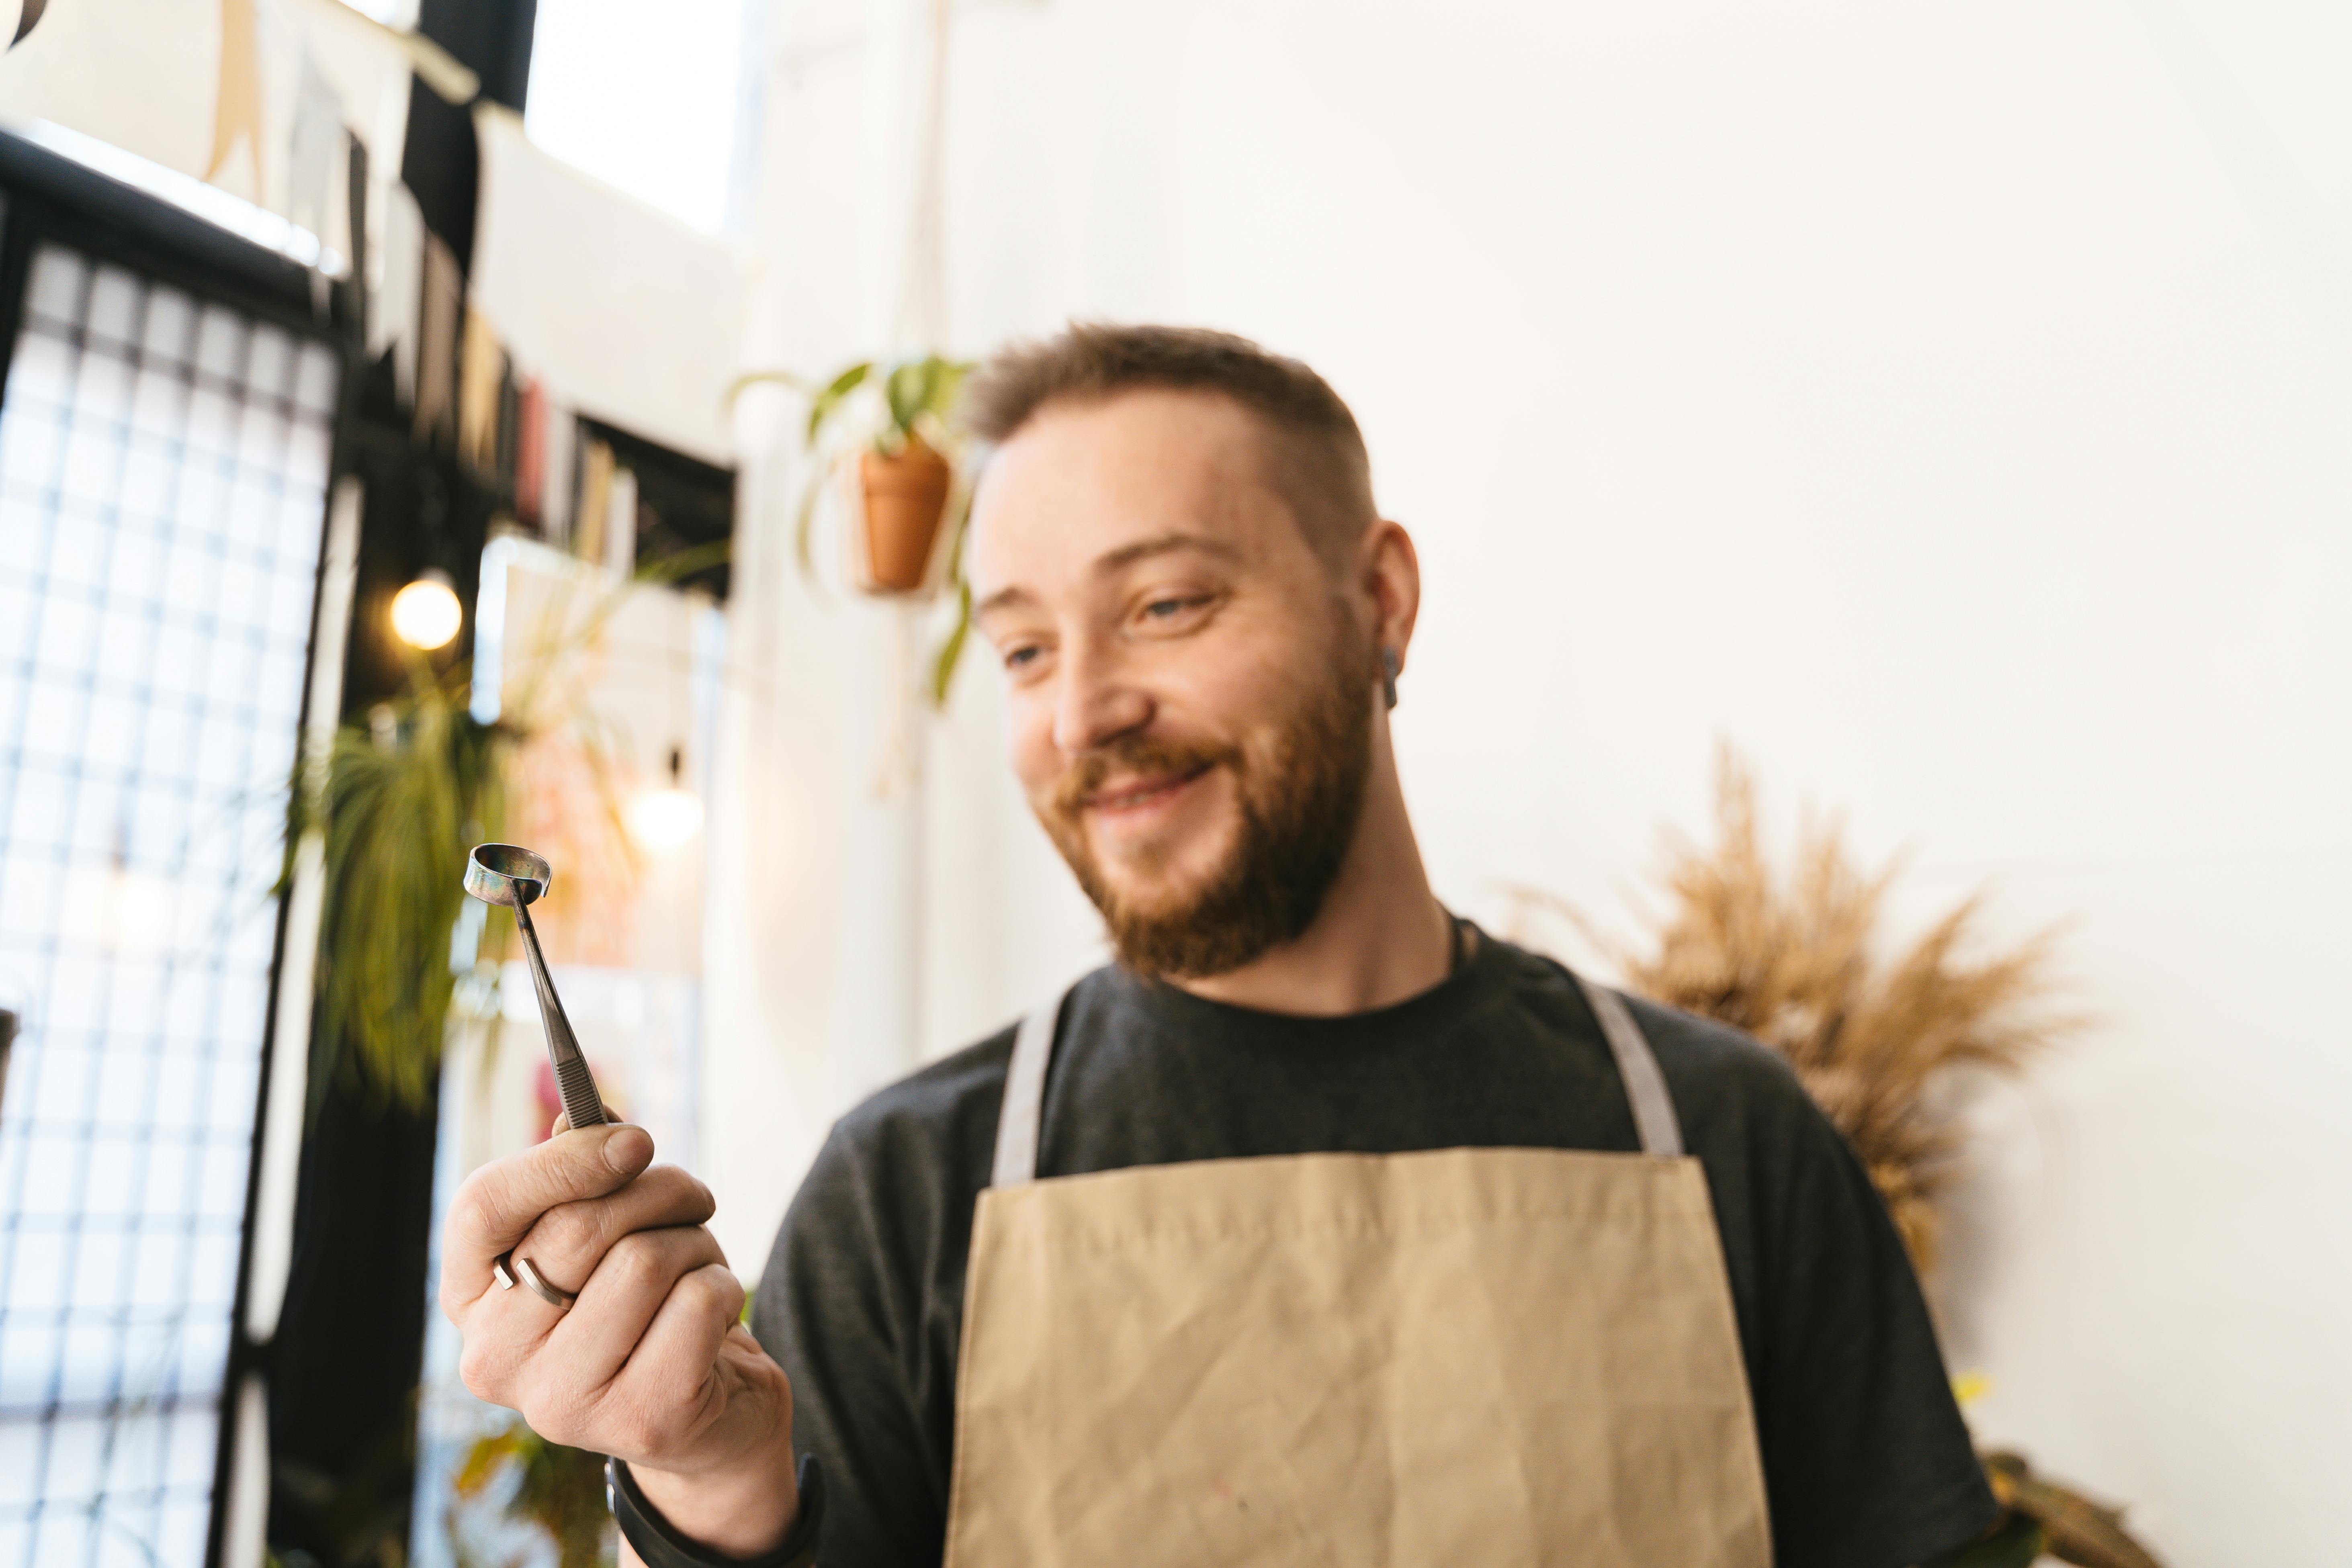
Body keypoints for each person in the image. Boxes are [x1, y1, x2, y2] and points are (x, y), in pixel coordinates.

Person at [441, 324, 1999, 1568]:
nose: (1080, 712)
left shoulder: (1728, 1137)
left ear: (1380, 602)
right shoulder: (912, 1188)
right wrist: (709, 1479)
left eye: (1169, 603)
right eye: (1027, 646)